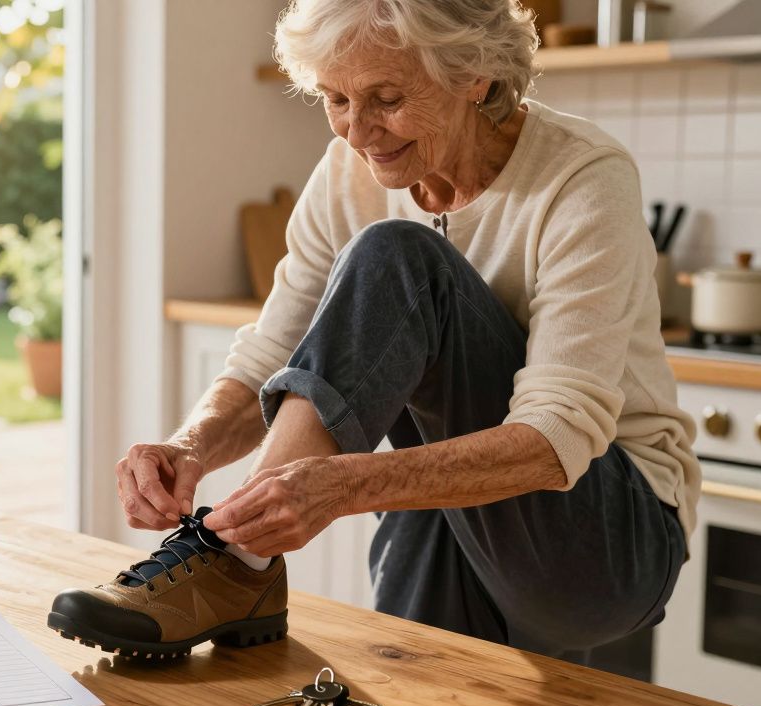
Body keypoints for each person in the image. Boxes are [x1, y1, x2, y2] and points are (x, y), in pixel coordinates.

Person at [48, 0, 698, 664]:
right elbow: (272, 355)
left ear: (474, 74)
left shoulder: (582, 177)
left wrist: (343, 486)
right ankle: (238, 563)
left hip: (605, 541)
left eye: (386, 98)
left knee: (396, 257)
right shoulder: (345, 173)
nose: (358, 132)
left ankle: (237, 563)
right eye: (335, 99)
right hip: (441, 522)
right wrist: (191, 447)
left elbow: (555, 439)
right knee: (412, 704)